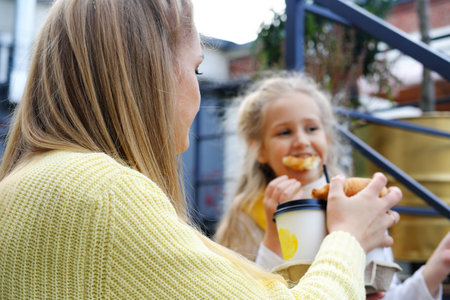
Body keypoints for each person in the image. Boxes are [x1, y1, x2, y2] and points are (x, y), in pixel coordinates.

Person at [0, 0, 401, 298]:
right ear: (148, 72)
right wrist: (348, 237)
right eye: (196, 69)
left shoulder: (27, 184)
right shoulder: (103, 194)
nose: (198, 90)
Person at [214, 72, 449, 299]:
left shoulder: (358, 205)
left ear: (326, 138)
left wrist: (438, 265)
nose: (302, 142)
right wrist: (274, 235)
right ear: (260, 149)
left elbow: (388, 295)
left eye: (312, 129)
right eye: (284, 132)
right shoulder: (245, 217)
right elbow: (251, 294)